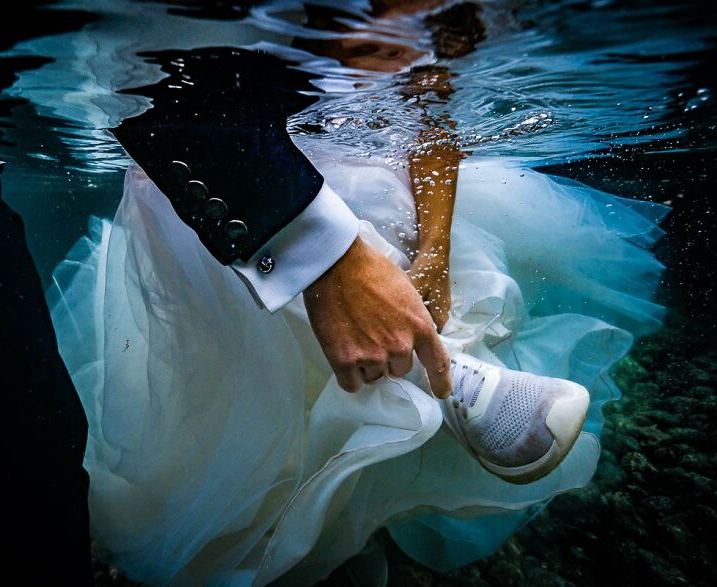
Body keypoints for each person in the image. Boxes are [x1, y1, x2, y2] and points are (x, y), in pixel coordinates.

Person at [47, 1, 670, 584]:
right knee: (280, 282)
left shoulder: (433, 36)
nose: (380, 40)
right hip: (210, 195)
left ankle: (431, 369)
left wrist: (434, 255)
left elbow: (432, 125)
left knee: (375, 211)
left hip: (352, 168)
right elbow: (178, 119)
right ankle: (443, 377)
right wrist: (330, 258)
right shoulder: (237, 29)